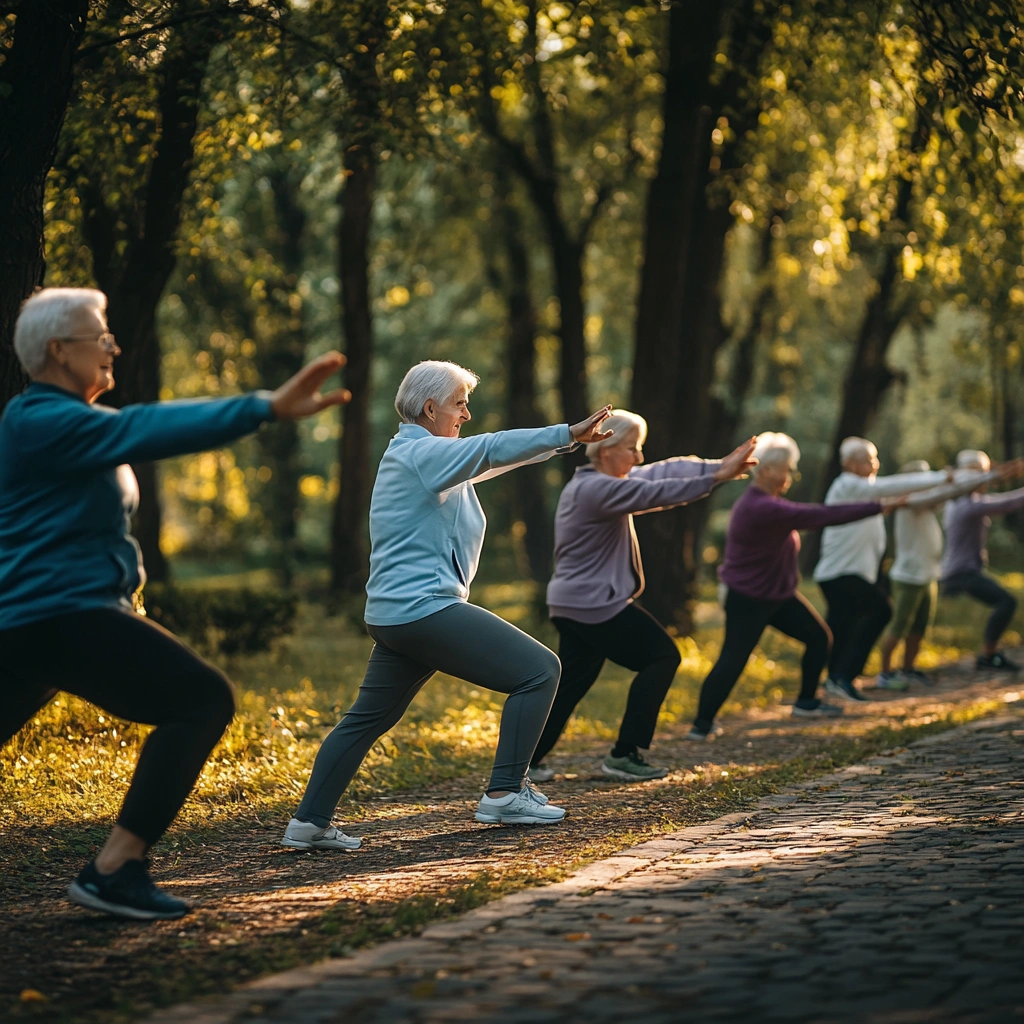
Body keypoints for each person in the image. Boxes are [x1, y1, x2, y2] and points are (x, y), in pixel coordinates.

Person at [0, 287, 350, 920]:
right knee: (201, 700)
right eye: (99, 337)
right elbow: (143, 427)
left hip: (39, 623)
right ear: (58, 351)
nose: (113, 346)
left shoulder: (63, 424)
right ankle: (113, 869)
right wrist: (263, 407)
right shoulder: (41, 419)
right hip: (59, 617)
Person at [284, 361, 613, 847]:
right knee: (540, 671)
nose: (467, 413)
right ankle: (504, 793)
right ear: (430, 406)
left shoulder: (423, 456)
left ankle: (308, 824)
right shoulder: (423, 455)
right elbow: (489, 448)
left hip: (398, 615)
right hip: (423, 609)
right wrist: (564, 430)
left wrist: (562, 442)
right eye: (459, 403)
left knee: (366, 718)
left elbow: (492, 459)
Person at [526, 412, 758, 783]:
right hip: (593, 605)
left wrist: (716, 466)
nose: (638, 458)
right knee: (662, 656)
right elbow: (654, 492)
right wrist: (716, 477)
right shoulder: (596, 490)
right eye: (632, 449)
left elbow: (661, 472)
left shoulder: (598, 481)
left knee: (572, 683)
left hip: (575, 603)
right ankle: (624, 753)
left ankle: (526, 760)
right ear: (605, 450)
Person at [689, 433, 904, 740]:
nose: (790, 475)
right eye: (787, 469)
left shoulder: (771, 503)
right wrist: (876, 506)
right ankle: (701, 725)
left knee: (818, 637)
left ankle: (806, 701)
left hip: (777, 595)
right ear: (765, 471)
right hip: (748, 598)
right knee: (733, 659)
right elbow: (821, 515)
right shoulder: (760, 507)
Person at [813, 437, 954, 702]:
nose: (875, 464)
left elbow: (904, 494)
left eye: (876, 458)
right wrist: (942, 477)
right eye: (869, 459)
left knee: (843, 627)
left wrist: (963, 483)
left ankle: (832, 680)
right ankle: (842, 677)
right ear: (851, 464)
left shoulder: (863, 489)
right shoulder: (848, 485)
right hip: (841, 574)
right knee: (881, 610)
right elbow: (895, 485)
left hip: (847, 574)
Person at [877, 459, 1005, 689]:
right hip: (908, 576)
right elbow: (941, 494)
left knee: (919, 627)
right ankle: (884, 673)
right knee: (899, 625)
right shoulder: (910, 501)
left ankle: (908, 668)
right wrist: (987, 476)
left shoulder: (926, 503)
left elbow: (945, 495)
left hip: (927, 574)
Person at [940, 450, 1024, 671]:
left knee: (1004, 602)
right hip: (962, 573)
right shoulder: (967, 505)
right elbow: (1008, 503)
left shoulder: (960, 501)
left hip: (962, 571)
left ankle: (989, 653)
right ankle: (988, 655)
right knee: (1006, 602)